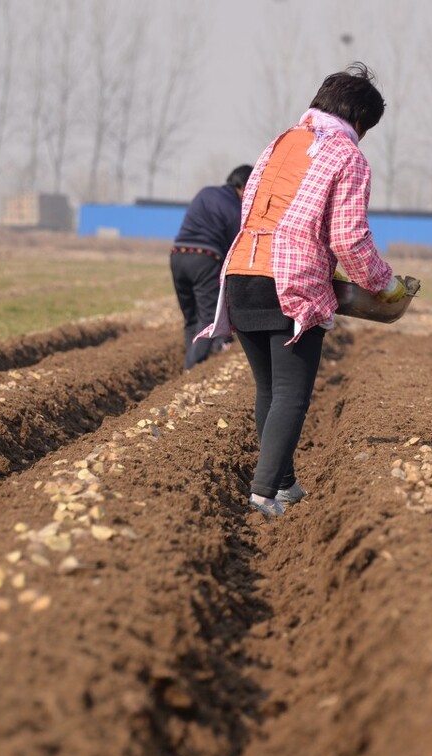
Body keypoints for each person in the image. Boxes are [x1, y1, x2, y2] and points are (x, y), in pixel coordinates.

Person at [196, 63, 407, 517]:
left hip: (240, 275)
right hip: (291, 282)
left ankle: (285, 483)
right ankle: (263, 493)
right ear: (360, 121)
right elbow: (348, 238)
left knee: (269, 390)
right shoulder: (347, 156)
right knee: (291, 393)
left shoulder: (280, 142)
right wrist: (385, 284)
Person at [170, 164, 253, 370]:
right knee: (208, 318)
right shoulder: (236, 210)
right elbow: (236, 248)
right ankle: (192, 368)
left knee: (191, 317)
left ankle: (191, 362)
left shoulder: (205, 192)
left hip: (177, 255)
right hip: (205, 258)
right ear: (244, 187)